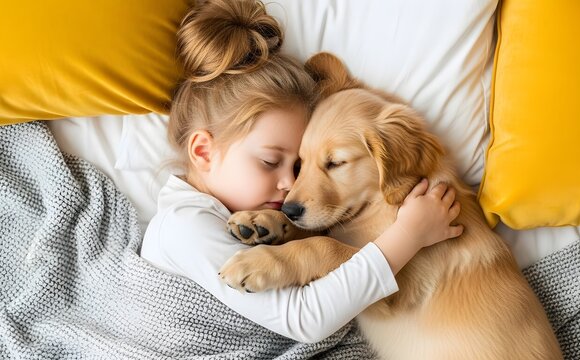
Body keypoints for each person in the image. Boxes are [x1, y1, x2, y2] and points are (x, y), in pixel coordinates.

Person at [140, 0, 463, 344]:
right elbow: (305, 318)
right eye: (269, 161)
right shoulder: (184, 226)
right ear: (203, 151)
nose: (290, 184)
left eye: (296, 165)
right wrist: (408, 236)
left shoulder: (225, 214)